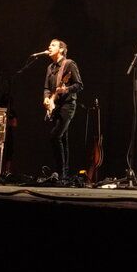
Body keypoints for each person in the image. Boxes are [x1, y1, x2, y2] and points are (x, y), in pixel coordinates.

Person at [43, 38, 83, 184]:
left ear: (61, 49)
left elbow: (79, 85)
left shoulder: (69, 64)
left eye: (53, 45)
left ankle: (60, 173)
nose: (49, 47)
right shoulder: (50, 67)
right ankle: (63, 175)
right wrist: (46, 98)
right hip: (56, 106)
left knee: (55, 136)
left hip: (67, 105)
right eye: (49, 45)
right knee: (62, 139)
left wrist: (66, 89)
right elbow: (47, 88)